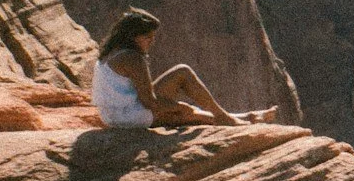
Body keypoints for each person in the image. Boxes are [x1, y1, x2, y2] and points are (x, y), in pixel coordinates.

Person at [90, 9, 275, 128]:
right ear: (133, 36)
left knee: (181, 81)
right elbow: (149, 103)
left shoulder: (113, 50)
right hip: (127, 117)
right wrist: (179, 106)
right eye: (148, 37)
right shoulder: (132, 58)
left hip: (113, 114)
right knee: (183, 110)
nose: (152, 42)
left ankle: (242, 116)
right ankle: (230, 118)